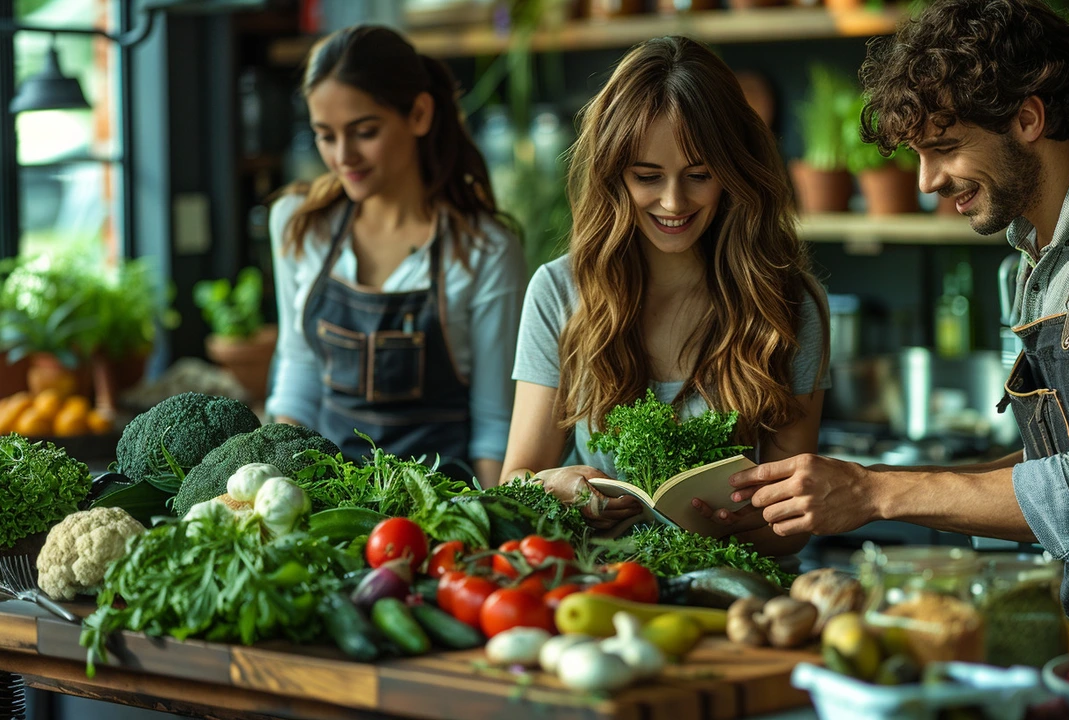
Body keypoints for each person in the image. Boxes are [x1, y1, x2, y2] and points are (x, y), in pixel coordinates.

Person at [730, 0, 1069, 614]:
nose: (926, 182)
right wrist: (857, 482)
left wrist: (873, 492)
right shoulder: (1044, 250)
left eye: (943, 148)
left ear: (1027, 119)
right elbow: (1063, 461)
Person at [498, 36, 831, 556]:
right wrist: (551, 489)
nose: (673, 202)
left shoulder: (787, 303)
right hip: (598, 593)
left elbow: (792, 527)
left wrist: (738, 524)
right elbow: (511, 483)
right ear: (613, 175)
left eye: (699, 175)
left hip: (733, 600)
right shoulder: (558, 291)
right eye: (647, 177)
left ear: (734, 170)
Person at [266, 25, 526, 488]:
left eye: (364, 131)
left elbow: (493, 426)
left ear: (420, 114)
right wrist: (274, 489)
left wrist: (494, 526)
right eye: (325, 136)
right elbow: (300, 370)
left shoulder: (484, 250)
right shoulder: (298, 224)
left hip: (441, 509)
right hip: (326, 504)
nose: (343, 156)